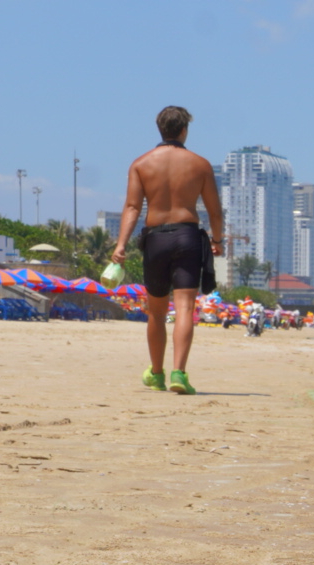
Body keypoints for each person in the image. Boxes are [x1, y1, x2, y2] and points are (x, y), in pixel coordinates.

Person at [114, 105, 223, 395]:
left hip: (156, 239)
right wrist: (218, 241)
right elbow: (215, 211)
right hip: (187, 237)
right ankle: (179, 373)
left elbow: (133, 207)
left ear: (159, 128)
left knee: (156, 312)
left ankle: (157, 374)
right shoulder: (200, 164)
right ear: (184, 129)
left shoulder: (141, 163)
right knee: (185, 307)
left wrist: (121, 244)